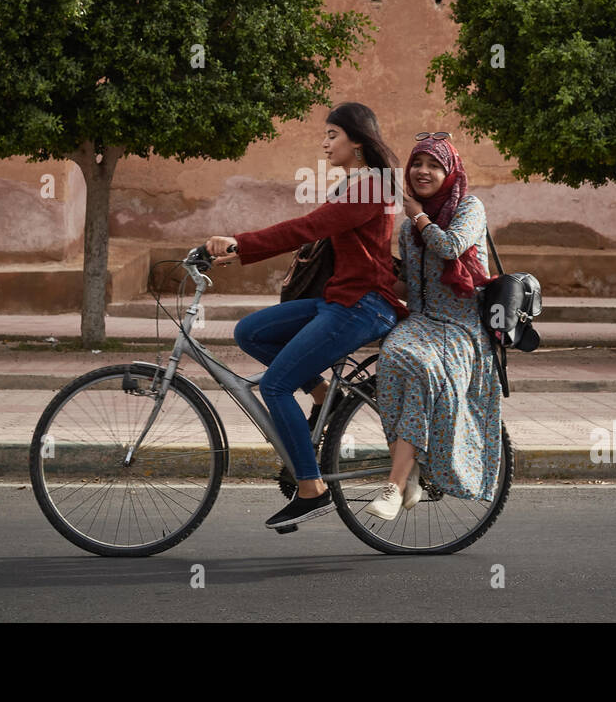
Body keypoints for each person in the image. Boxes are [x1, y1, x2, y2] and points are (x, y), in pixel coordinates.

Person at [205, 102, 406, 530]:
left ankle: (311, 490)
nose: (324, 142)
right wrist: (239, 254)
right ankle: (320, 397)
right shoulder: (357, 183)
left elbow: (306, 228)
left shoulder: (372, 185)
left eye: (333, 134)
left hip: (362, 306)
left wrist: (239, 244)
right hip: (338, 299)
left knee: (276, 387)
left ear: (357, 139)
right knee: (251, 332)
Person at [364, 132, 501, 520]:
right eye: (417, 164)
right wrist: (371, 274)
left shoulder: (469, 208)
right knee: (391, 359)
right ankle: (407, 474)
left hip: (462, 327)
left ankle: (393, 487)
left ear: (450, 171)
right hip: (423, 321)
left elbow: (451, 247)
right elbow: (412, 285)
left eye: (434, 165)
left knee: (425, 370)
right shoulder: (410, 228)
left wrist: (418, 215)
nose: (423, 171)